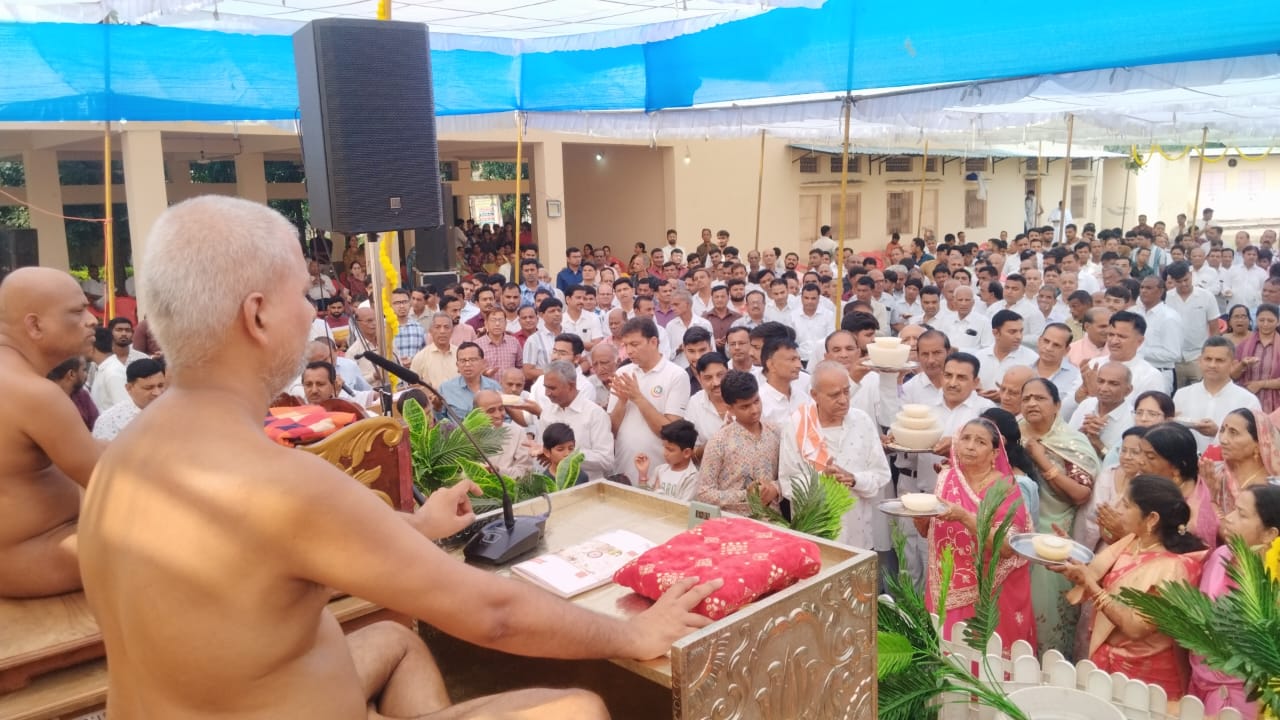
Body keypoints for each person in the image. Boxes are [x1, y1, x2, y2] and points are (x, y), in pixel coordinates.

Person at [82, 196, 721, 720]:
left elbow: (256, 560)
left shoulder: (119, 455)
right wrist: (634, 633)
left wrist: (415, 527)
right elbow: (493, 614)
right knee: (578, 709)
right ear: (257, 316)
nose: (312, 314)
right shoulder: (277, 483)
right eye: (302, 297)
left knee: (393, 639)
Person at [0, 267, 102, 597]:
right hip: (30, 555)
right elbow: (108, 477)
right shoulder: (34, 393)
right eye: (77, 311)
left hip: (33, 545)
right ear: (34, 325)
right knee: (183, 540)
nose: (92, 320)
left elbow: (87, 452)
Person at [1055, 475, 1206, 699]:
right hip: (1107, 667)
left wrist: (1090, 584)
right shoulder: (1132, 542)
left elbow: (1135, 627)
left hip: (1145, 680)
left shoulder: (1174, 568)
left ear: (1152, 518)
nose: (1118, 510)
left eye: (1126, 505)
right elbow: (1108, 583)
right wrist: (1074, 566)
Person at [917, 418, 1037, 652]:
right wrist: (920, 518)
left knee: (988, 660)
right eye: (965, 438)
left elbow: (1006, 547)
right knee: (951, 659)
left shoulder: (1006, 488)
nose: (970, 446)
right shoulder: (947, 479)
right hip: (947, 585)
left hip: (992, 591)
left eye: (980, 442)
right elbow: (930, 534)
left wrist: (964, 517)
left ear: (995, 453)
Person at [1019, 377, 1100, 658]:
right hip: (1014, 533)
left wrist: (1041, 459)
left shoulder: (1071, 442)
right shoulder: (1012, 433)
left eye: (1040, 398)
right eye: (1026, 398)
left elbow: (1081, 494)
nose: (1031, 403)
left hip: (1054, 534)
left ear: (1057, 405)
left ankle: (1050, 671)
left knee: (1047, 611)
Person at [1188, 484, 1280, 719]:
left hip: (1252, 697)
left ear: (1270, 534)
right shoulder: (1220, 556)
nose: (1228, 518)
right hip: (1202, 684)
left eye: (1242, 514)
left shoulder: (1274, 581)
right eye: (1233, 509)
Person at [778, 361, 891, 550]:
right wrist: (823, 479)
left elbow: (881, 474)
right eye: (834, 395)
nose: (843, 400)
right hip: (817, 537)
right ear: (814, 395)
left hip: (859, 536)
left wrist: (854, 479)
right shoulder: (797, 426)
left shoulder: (862, 421)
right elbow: (788, 484)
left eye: (846, 391)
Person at [608, 317, 690, 485]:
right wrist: (622, 402)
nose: (629, 351)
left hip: (659, 471)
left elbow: (670, 432)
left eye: (635, 344)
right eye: (625, 345)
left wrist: (638, 398)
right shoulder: (623, 373)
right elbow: (611, 430)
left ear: (653, 342)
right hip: (624, 467)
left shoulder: (676, 375)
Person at [696, 370, 781, 515]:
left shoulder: (775, 433)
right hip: (732, 521)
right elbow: (703, 493)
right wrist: (746, 496)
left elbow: (789, 477)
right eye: (745, 406)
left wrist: (774, 488)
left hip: (772, 520)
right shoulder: (719, 442)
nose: (754, 410)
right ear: (729, 408)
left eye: (756, 401)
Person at [1176, 336, 1262, 453]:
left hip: (1230, 462)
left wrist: (1218, 433)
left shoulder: (1248, 400)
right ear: (1199, 361)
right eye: (1208, 359)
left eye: (1219, 360)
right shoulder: (1182, 395)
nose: (1212, 365)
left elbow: (1254, 441)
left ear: (1233, 364)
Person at [1140, 422, 1219, 548]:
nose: (1140, 461)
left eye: (1150, 457)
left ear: (1176, 467)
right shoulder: (1150, 484)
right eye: (1140, 453)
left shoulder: (1195, 519)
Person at [537, 360, 614, 480]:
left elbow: (606, 460)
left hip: (588, 487)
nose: (547, 393)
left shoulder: (595, 414)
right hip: (554, 485)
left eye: (552, 388)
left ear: (571, 386)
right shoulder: (547, 413)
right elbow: (543, 451)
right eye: (546, 387)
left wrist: (570, 456)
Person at [1200, 408, 1280, 519]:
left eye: (1233, 433)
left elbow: (1244, 531)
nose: (1223, 440)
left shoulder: (1272, 487)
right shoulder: (1216, 475)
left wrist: (1211, 499)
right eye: (1222, 430)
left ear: (1259, 444)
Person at [92, 357, 167, 441]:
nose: (157, 393)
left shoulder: (175, 411)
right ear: (129, 388)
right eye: (149, 388)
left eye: (160, 386)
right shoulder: (109, 421)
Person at [634, 419, 700, 501]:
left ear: (686, 453)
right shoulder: (660, 469)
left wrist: (658, 493)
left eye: (670, 450)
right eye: (664, 447)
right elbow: (643, 499)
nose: (665, 453)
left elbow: (682, 506)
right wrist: (643, 475)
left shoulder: (692, 478)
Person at [1233, 303, 1280, 413]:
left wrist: (1260, 384)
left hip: (1275, 405)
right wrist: (1242, 364)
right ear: (1256, 320)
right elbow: (1233, 376)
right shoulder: (1243, 346)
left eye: (1270, 321)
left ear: (1278, 322)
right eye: (1261, 320)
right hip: (1246, 400)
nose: (1265, 324)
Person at [48, 355, 98, 431]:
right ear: (71, 374)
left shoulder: (82, 396)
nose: (86, 375)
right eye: (84, 370)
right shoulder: (45, 398)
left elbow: (97, 427)